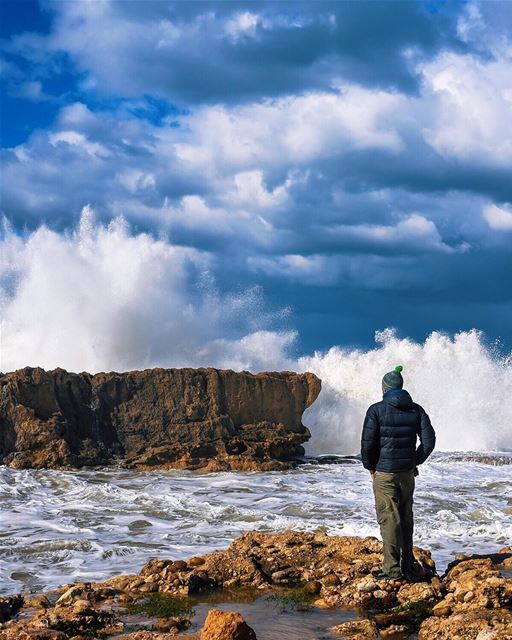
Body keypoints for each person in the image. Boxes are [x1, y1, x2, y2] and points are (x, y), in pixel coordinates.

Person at [361, 365, 436, 580]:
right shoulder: (416, 410)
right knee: (405, 517)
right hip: (406, 473)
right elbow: (429, 442)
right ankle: (407, 565)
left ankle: (392, 570)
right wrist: (414, 461)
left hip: (384, 473)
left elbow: (367, 444)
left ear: (384, 389)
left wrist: (370, 466)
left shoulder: (375, 410)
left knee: (389, 519)